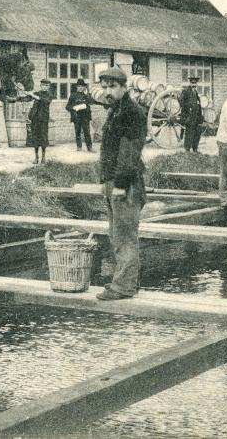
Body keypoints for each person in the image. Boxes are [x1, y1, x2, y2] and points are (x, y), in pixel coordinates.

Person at [95, 66, 146, 301]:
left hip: (124, 184)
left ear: (124, 88)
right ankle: (125, 282)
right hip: (112, 180)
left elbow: (129, 152)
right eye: (104, 87)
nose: (108, 91)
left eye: (113, 87)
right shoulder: (116, 109)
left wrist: (120, 184)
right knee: (117, 235)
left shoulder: (131, 112)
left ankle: (124, 286)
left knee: (124, 236)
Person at [26, 78, 53, 163]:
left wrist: (35, 96)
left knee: (43, 138)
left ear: (48, 87)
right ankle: (36, 157)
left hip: (43, 120)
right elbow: (28, 98)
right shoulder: (37, 93)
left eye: (46, 85)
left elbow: (46, 101)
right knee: (35, 138)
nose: (44, 87)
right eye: (42, 85)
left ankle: (43, 157)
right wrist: (26, 94)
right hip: (35, 119)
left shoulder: (49, 95)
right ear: (40, 86)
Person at [65, 78, 94, 152]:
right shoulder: (73, 96)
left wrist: (87, 94)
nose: (80, 88)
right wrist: (74, 108)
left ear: (84, 87)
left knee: (87, 132)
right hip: (76, 116)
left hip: (85, 117)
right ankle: (79, 147)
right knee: (77, 132)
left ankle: (90, 148)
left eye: (82, 86)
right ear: (76, 87)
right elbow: (67, 106)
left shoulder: (86, 96)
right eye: (79, 86)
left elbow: (91, 102)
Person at [180, 76, 204, 153]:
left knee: (197, 133)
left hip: (196, 117)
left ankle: (195, 149)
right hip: (189, 117)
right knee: (189, 134)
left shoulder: (195, 92)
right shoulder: (186, 91)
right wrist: (190, 106)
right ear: (190, 83)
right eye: (192, 83)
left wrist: (200, 116)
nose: (194, 84)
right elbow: (182, 103)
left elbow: (198, 105)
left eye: (195, 83)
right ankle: (187, 150)